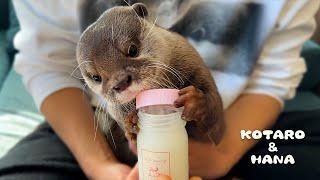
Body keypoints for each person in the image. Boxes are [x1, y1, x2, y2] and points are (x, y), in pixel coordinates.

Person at [0, 0, 319, 179]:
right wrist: (101, 168)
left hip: (238, 125)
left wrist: (220, 159)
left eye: (131, 53)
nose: (120, 83)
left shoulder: (181, 56)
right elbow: (47, 65)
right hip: (93, 126)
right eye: (101, 78)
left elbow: (274, 75)